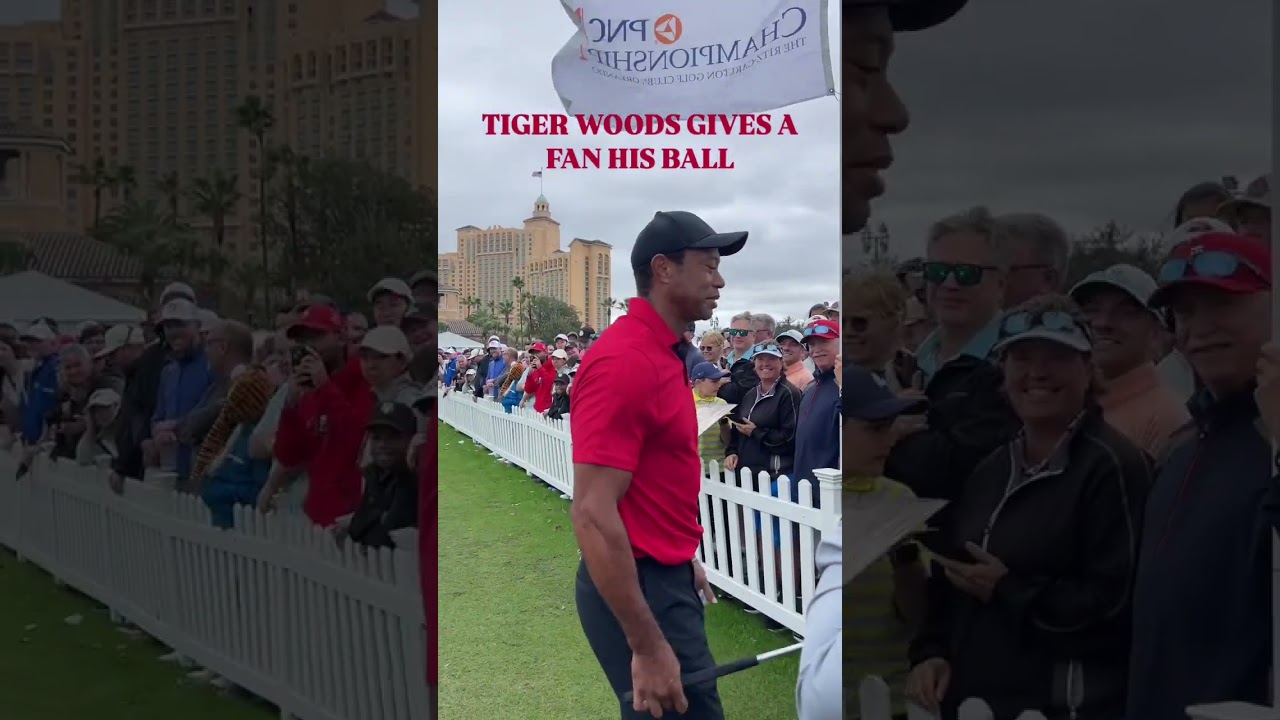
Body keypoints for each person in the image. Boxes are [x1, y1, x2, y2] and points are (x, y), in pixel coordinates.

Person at [906, 295, 1149, 720]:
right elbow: (955, 575)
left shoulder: (1113, 467)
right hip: (976, 701)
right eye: (1022, 357)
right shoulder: (993, 467)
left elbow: (1115, 609)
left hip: (1065, 706)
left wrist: (1008, 590)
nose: (1037, 372)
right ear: (1003, 372)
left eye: (1057, 356)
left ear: (1087, 369)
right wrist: (932, 652)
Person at [571, 209, 747, 719]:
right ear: (664, 269)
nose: (720, 279)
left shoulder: (664, 351)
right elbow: (591, 512)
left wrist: (677, 553)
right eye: (709, 264)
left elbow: (648, 480)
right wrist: (647, 646)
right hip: (642, 588)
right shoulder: (625, 360)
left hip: (662, 575)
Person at [1126, 231, 1274, 720]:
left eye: (1219, 304)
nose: (1199, 328)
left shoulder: (1272, 446)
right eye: (1186, 312)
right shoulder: (1185, 447)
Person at [836, 367, 927, 720]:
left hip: (892, 699)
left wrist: (904, 556)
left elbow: (916, 615)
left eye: (890, 428)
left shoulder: (899, 498)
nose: (889, 440)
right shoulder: (811, 501)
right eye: (875, 429)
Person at [1068, 265, 1190, 461]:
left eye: (1126, 312)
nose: (1102, 322)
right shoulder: (1066, 404)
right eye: (1091, 310)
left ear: (1156, 331)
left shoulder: (1165, 419)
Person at [273, 304, 372, 528]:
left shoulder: (363, 379)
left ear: (340, 336)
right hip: (317, 514)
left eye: (316, 336)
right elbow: (289, 456)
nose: (309, 346)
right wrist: (290, 405)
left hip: (351, 517)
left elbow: (356, 443)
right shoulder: (310, 390)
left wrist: (326, 388)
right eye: (303, 340)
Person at [341, 401, 419, 549]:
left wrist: (369, 520)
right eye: (376, 438)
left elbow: (385, 537)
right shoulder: (373, 476)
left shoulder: (414, 481)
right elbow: (355, 531)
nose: (382, 444)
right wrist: (375, 518)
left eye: (392, 437)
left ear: (410, 440)